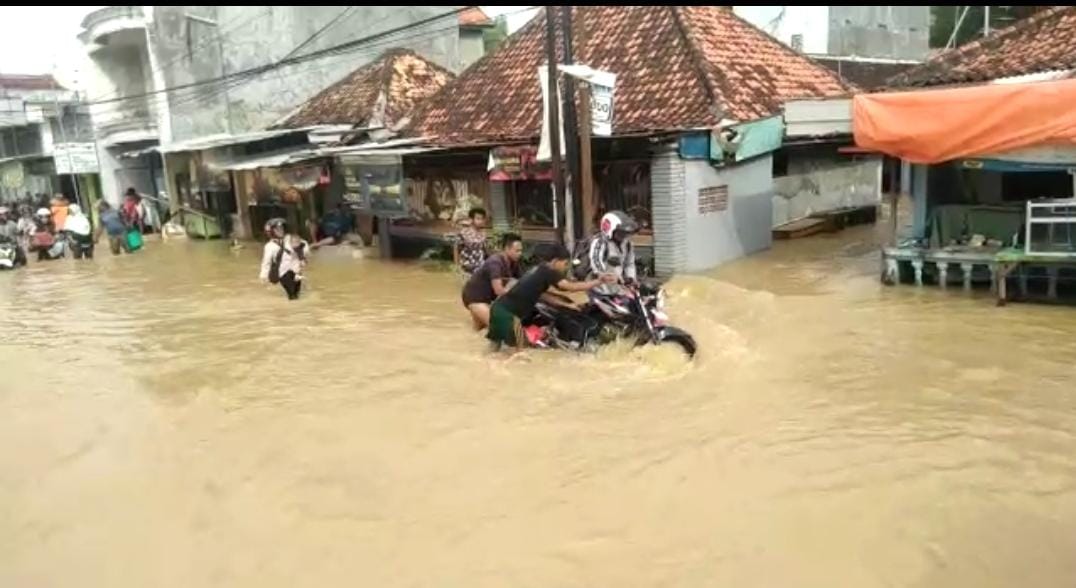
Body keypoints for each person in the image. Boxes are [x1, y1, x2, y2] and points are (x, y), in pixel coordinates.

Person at [487, 243, 615, 351]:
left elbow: (542, 295)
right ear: (554, 261)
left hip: (498, 309)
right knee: (521, 352)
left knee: (494, 351)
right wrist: (599, 281)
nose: (566, 268)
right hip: (509, 315)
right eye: (565, 264)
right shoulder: (549, 272)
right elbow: (570, 287)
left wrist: (566, 304)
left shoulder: (538, 270)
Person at [460, 232, 524, 330]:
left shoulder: (514, 264)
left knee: (477, 331)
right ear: (507, 249)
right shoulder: (495, 262)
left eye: (521, 250)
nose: (520, 253)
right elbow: (498, 291)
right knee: (498, 328)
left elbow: (523, 281)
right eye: (517, 251)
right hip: (474, 298)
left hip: (486, 299)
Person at [587, 210, 639, 296]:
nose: (623, 235)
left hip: (618, 289)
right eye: (620, 232)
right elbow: (596, 261)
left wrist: (631, 279)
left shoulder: (627, 244)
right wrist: (603, 275)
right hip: (600, 290)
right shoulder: (600, 242)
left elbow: (629, 264)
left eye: (625, 232)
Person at [259, 218, 308, 300]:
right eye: (277, 229)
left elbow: (304, 245)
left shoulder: (289, 238)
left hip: (296, 270)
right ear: (271, 232)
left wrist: (302, 254)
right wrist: (263, 275)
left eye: (281, 229)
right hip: (283, 273)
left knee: (297, 293)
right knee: (292, 294)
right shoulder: (269, 246)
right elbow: (266, 262)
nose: (280, 231)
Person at [455, 207, 488, 274]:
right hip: (467, 265)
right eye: (478, 219)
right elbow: (456, 248)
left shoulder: (484, 234)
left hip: (480, 265)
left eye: (482, 219)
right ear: (471, 219)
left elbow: (485, 251)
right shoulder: (464, 233)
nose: (480, 221)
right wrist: (457, 266)